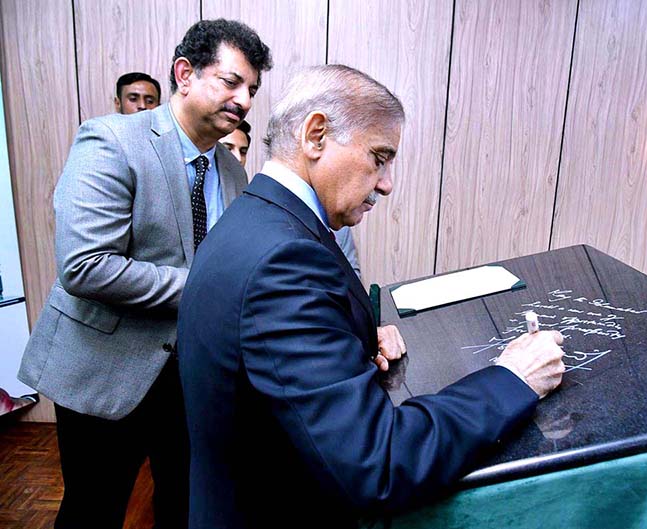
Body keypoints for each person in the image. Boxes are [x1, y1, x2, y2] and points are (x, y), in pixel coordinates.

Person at [177, 64, 565, 528]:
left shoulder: (252, 220)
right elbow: (378, 463)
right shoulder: (286, 260)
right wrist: (512, 378)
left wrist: (350, 342)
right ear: (316, 135)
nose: (386, 183)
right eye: (379, 158)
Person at [17, 19, 272, 529]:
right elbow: (85, 266)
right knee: (94, 509)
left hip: (188, 379)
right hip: (103, 370)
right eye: (231, 82)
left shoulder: (232, 170)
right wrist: (206, 291)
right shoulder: (111, 140)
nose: (244, 101)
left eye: (252, 90)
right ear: (185, 73)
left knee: (182, 504)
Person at [221, 118, 363, 276]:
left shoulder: (335, 218)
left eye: (243, 151)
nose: (238, 158)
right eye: (228, 148)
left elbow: (352, 274)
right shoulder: (256, 204)